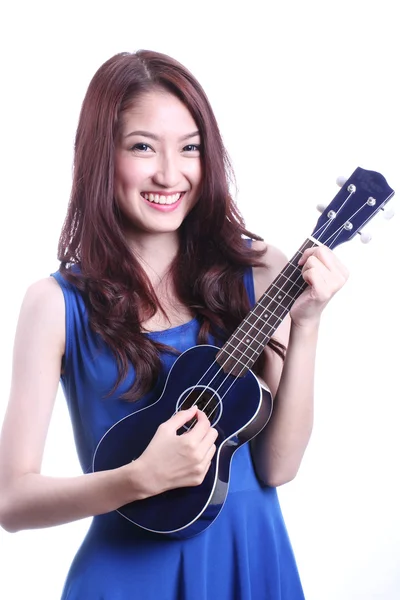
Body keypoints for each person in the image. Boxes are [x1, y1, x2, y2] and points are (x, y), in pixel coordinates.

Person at [0, 49, 348, 599]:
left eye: (190, 148)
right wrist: (139, 478)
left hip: (249, 564)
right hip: (125, 580)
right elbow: (12, 503)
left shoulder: (258, 273)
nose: (170, 173)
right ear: (101, 156)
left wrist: (307, 326)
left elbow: (278, 467)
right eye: (143, 147)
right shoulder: (54, 304)